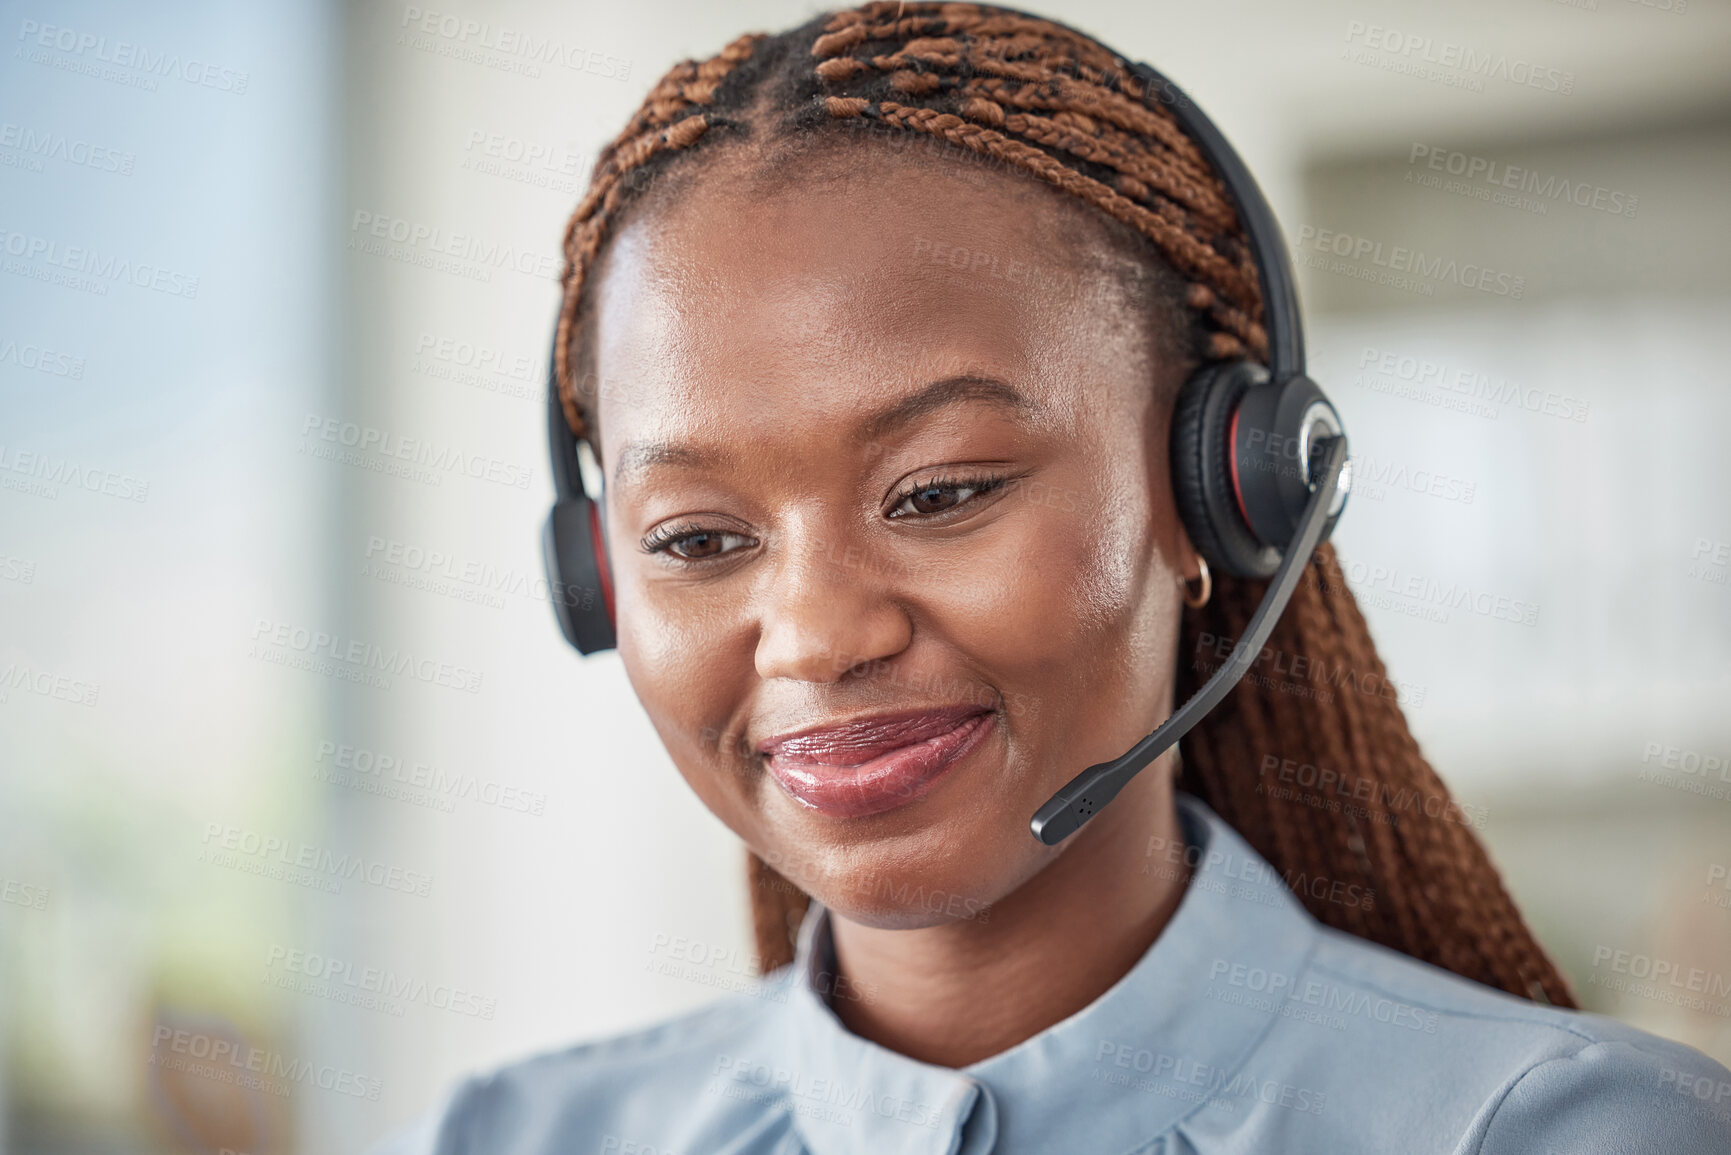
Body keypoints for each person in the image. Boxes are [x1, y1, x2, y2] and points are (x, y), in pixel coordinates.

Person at [374, 3, 1731, 1151]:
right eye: (699, 540)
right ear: (595, 581)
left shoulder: (1561, 1130)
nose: (819, 634)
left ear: (1225, 491)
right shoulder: (524, 1132)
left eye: (944, 494)